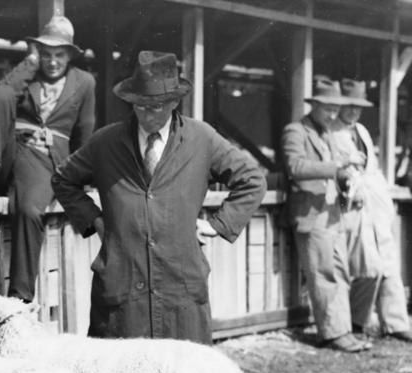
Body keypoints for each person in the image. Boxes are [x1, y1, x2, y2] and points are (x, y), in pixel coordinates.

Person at [52, 51, 266, 343]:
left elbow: (252, 180)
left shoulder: (201, 139)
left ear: (175, 102)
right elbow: (63, 179)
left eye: (155, 107)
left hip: (180, 286)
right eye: (139, 106)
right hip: (122, 287)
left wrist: (218, 224)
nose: (146, 114)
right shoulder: (106, 142)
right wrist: (95, 221)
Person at [0, 15, 96, 302]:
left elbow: (84, 132)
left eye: (59, 55)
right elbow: (0, 95)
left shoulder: (84, 83)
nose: (52, 62)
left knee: (29, 209)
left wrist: (83, 178)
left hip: (46, 159)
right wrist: (30, 63)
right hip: (11, 152)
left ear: (70, 55)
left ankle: (20, 298)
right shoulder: (28, 75)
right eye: (46, 54)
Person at [281, 77, 372, 352]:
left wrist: (348, 181)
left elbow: (335, 171)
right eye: (327, 109)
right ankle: (332, 334)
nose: (333, 114)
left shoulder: (326, 133)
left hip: (332, 213)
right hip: (310, 215)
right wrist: (338, 164)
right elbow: (295, 167)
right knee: (323, 274)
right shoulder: (295, 131)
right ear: (315, 105)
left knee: (339, 273)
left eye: (336, 109)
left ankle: (343, 331)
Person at [332, 78, 412, 343]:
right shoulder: (332, 133)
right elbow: (338, 172)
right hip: (353, 205)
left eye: (358, 107)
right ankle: (357, 321)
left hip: (376, 203)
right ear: (339, 104)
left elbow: (372, 168)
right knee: (368, 266)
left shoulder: (362, 131)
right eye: (349, 105)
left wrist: (383, 197)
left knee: (388, 261)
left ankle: (395, 322)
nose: (354, 111)